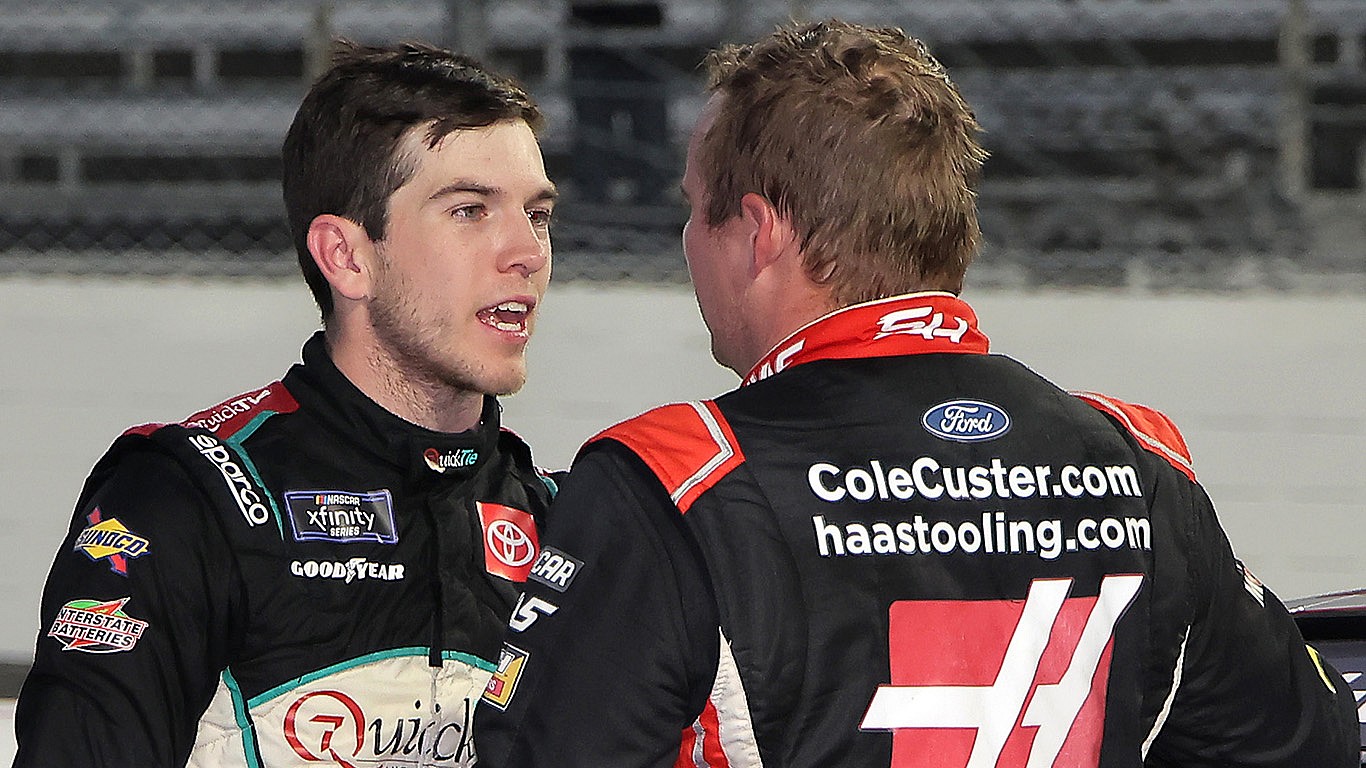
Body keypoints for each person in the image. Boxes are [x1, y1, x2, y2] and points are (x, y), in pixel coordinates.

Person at [474, 19, 1359, 768]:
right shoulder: (1136, 467)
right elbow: (1311, 742)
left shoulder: (671, 488)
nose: (685, 242)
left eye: (694, 208)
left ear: (756, 231)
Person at [15, 40, 559, 767]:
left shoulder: (560, 523)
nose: (525, 250)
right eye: (469, 210)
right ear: (346, 255)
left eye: (538, 214)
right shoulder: (189, 495)